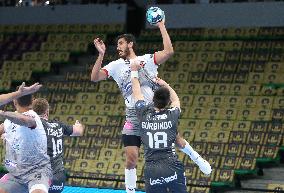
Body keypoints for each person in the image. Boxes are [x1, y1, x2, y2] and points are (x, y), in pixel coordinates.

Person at [91, 19, 210, 192]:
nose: (118, 47)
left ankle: (198, 159)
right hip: (133, 114)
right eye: (117, 44)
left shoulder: (147, 59)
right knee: (131, 158)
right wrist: (101, 55)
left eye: (121, 43)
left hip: (153, 112)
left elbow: (169, 51)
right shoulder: (115, 65)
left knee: (176, 140)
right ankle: (130, 191)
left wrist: (161, 25)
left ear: (130, 44)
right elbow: (94, 78)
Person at [130, 62, 211, 192]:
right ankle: (197, 159)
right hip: (171, 165)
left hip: (152, 169)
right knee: (175, 136)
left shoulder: (143, 113)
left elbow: (137, 93)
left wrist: (134, 71)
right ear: (167, 102)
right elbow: (176, 100)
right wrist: (165, 84)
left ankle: (198, 159)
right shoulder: (172, 115)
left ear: (152, 100)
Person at [0, 93, 51, 193]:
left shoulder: (32, 116)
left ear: (14, 101)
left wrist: (3, 113)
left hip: (37, 172)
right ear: (32, 101)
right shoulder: (8, 121)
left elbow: (24, 120)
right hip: (16, 174)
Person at [32, 98, 84, 193]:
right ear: (47, 112)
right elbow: (79, 131)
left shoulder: (35, 125)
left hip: (41, 177)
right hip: (59, 177)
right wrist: (78, 124)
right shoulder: (58, 125)